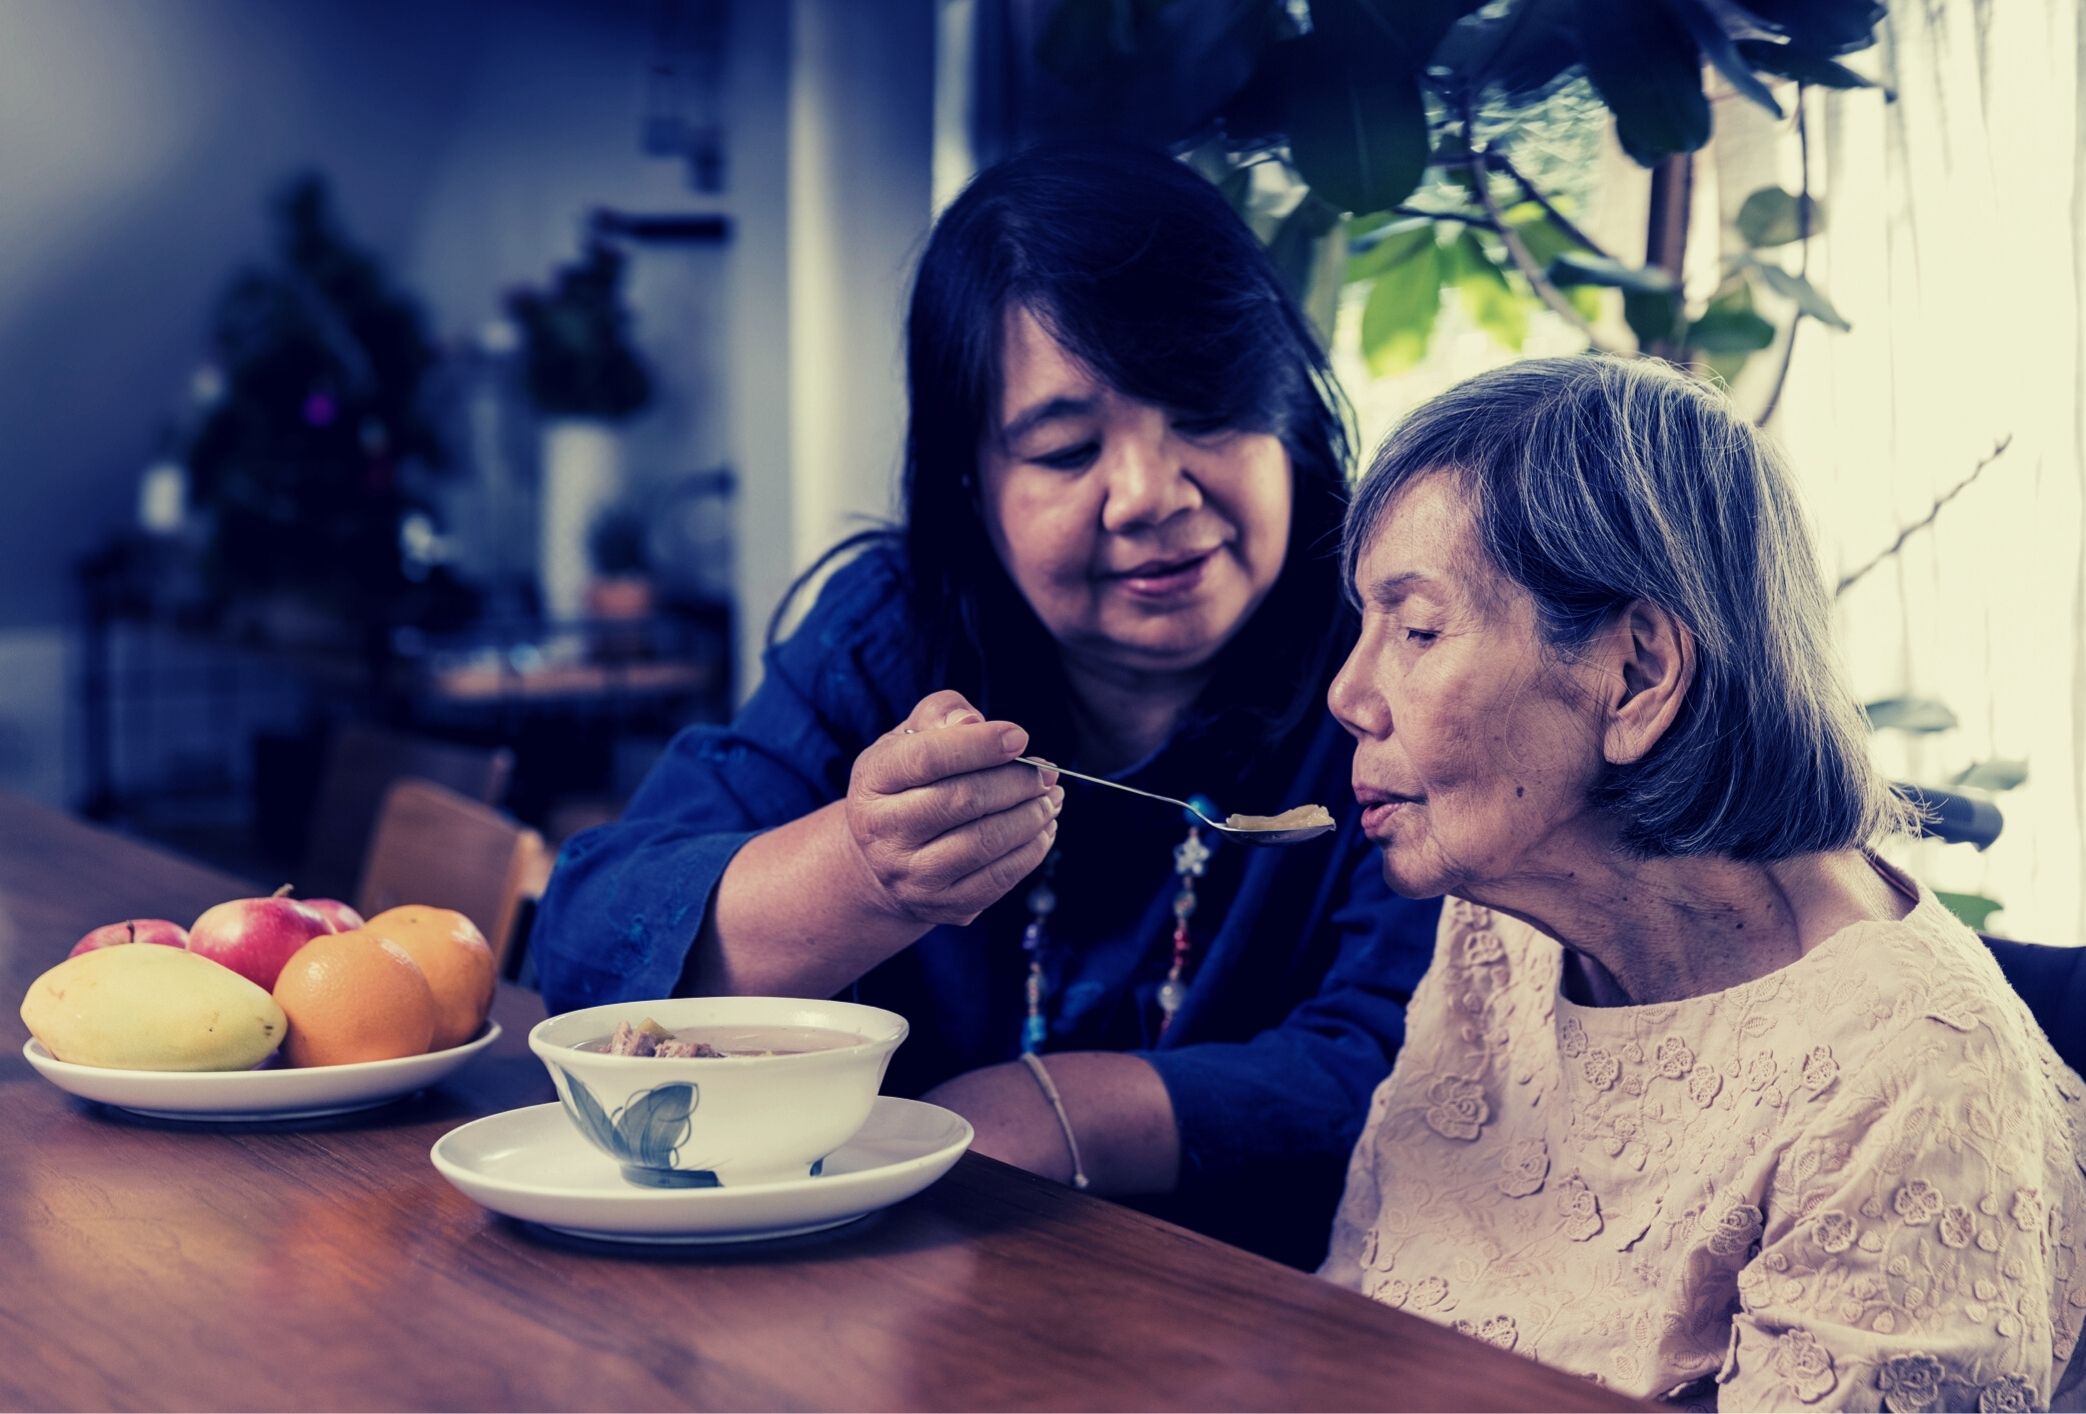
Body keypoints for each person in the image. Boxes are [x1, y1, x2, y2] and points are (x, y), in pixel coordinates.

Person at [529, 141, 1440, 1266]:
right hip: (883, 1295)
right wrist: (862, 871)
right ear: (972, 484)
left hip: (1266, 1325)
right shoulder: (888, 638)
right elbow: (585, 947)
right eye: (1065, 450)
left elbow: (1411, 1062)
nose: (1152, 495)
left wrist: (1043, 1114)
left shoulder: (1396, 664)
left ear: (1290, 415)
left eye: (1206, 412)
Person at [1318, 356, 2086, 1409]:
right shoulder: (1501, 935)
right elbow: (1351, 1323)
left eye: (1417, 630)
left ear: (1638, 675)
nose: (1348, 692)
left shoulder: (1911, 1082)